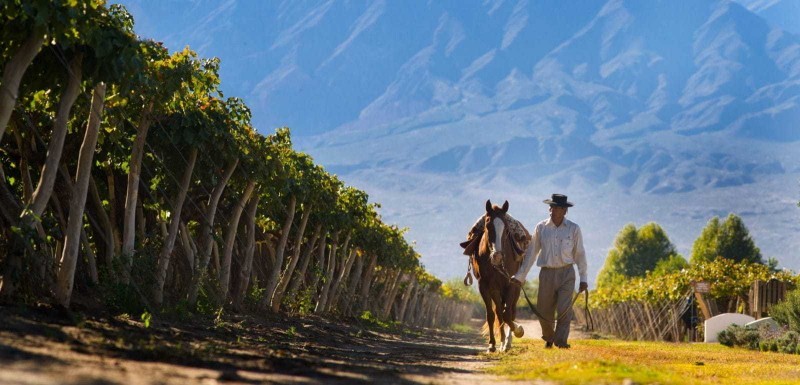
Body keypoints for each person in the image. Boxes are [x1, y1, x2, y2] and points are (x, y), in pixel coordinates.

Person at [511, 193, 588, 349]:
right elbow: (532, 253)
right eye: (553, 207)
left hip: (567, 273)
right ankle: (549, 337)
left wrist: (583, 278)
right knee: (544, 310)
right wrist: (520, 276)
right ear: (549, 209)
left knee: (564, 310)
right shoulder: (541, 228)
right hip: (546, 274)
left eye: (560, 208)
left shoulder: (574, 229)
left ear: (565, 211)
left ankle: (561, 342)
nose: (556, 211)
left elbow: (579, 254)